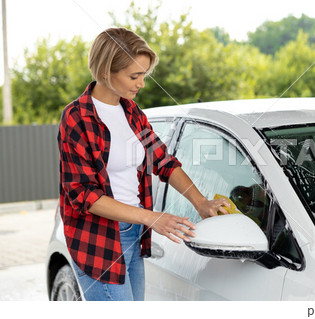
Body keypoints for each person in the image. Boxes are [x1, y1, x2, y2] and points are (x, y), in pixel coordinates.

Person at [57, 27, 230, 301]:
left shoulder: (132, 112)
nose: (141, 84)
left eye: (144, 75)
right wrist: (153, 218)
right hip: (98, 242)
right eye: (134, 76)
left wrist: (201, 202)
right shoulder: (76, 117)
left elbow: (163, 161)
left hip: (133, 233)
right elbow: (83, 195)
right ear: (105, 72)